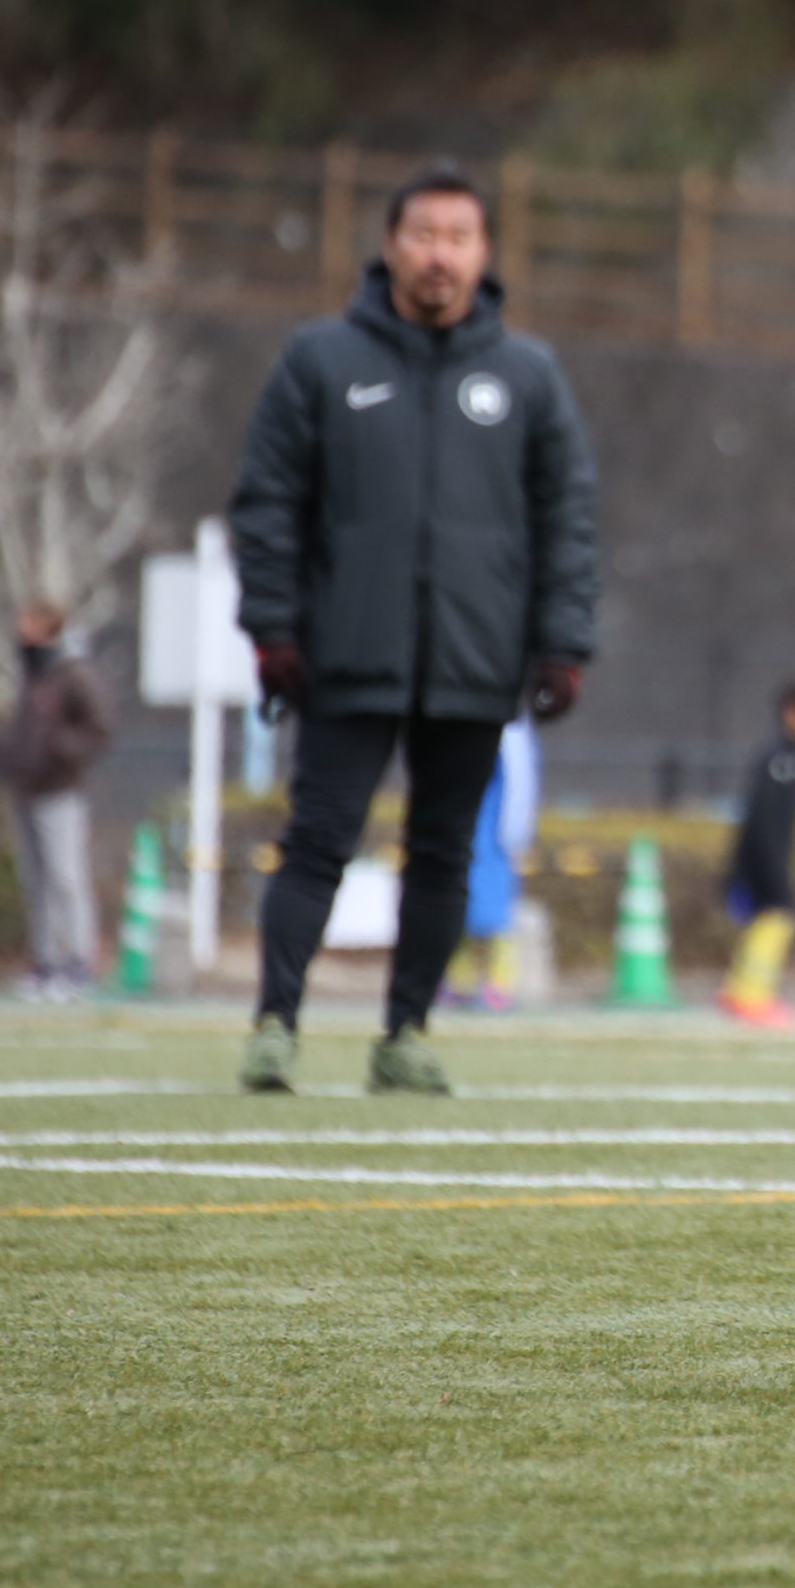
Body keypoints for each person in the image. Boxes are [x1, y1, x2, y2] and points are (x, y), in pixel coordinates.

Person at [231, 167, 599, 1095]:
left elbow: (569, 520)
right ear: (391, 245)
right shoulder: (319, 361)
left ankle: (406, 1034)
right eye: (424, 233)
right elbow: (268, 505)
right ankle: (275, 1024)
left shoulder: (528, 375)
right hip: (346, 655)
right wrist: (273, 629)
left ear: (484, 254)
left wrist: (564, 643)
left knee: (443, 853)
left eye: (460, 236)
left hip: (475, 663)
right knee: (317, 841)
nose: (441, 253)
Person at [0, 598, 111, 1001]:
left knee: (66, 878)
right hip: (25, 789)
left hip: (59, 791)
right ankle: (45, 962)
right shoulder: (32, 673)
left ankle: (78, 962)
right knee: (36, 881)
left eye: (28, 621)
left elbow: (98, 729)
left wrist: (58, 749)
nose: (21, 628)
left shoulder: (72, 673)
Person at [720, 683, 795, 1027]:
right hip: (763, 860)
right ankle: (750, 996)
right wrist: (770, 865)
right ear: (792, 713)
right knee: (775, 919)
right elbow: (762, 817)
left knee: (769, 922)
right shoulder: (780, 757)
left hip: (772, 857)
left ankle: (742, 991)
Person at [443, 718, 540, 1011]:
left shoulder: (512, 731)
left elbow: (520, 786)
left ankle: (500, 983)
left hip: (495, 838)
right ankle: (460, 980)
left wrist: (516, 833)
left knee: (494, 916)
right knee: (458, 908)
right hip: (464, 831)